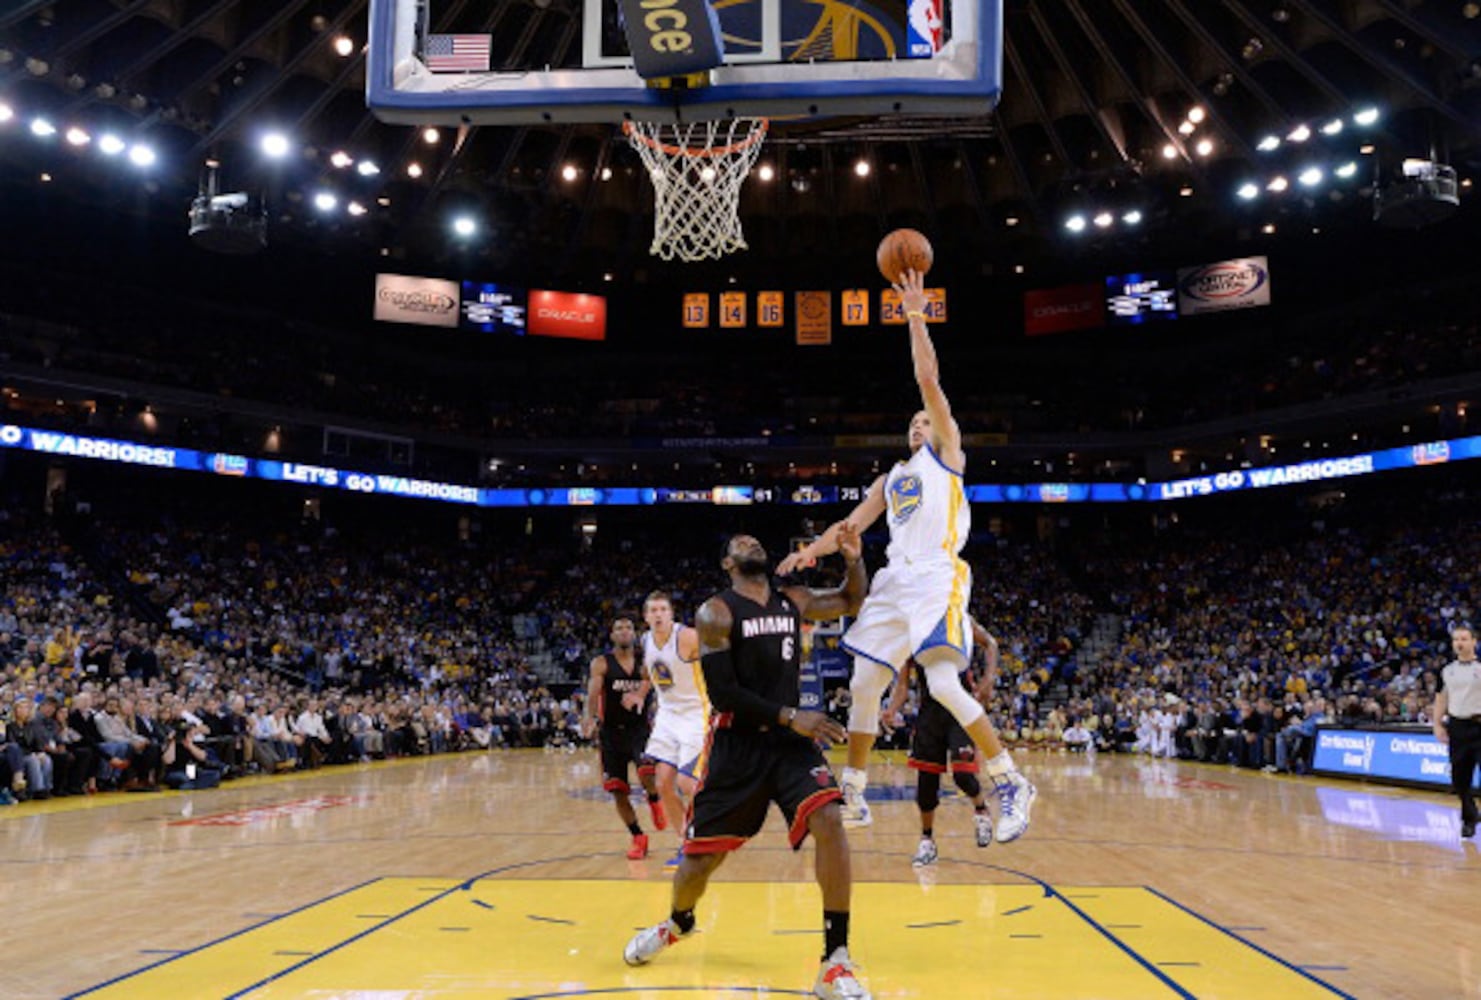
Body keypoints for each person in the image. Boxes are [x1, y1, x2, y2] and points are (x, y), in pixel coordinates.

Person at [778, 267, 1035, 840]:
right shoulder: (891, 478)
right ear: (906, 434)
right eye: (915, 422)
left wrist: (915, 314)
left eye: (928, 420)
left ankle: (1011, 780)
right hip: (895, 581)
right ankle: (853, 791)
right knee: (866, 680)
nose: (922, 424)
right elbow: (850, 525)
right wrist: (810, 554)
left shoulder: (947, 456)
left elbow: (928, 378)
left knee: (943, 685)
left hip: (937, 576)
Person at [624, 528, 871, 1000]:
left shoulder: (791, 600)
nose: (753, 544)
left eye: (757, 540)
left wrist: (854, 560)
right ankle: (677, 924)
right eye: (741, 543)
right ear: (727, 563)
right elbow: (723, 694)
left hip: (789, 744)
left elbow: (851, 600)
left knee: (830, 817)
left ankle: (835, 961)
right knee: (698, 867)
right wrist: (790, 714)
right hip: (737, 747)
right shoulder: (715, 612)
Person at [881, 619, 998, 868]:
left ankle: (982, 811)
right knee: (925, 787)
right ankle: (927, 841)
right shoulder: (911, 631)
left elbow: (990, 643)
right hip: (929, 716)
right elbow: (902, 685)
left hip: (960, 711)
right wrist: (891, 709)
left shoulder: (958, 616)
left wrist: (989, 678)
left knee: (963, 777)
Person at [581, 617, 664, 860]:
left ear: (635, 633)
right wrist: (591, 718)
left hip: (639, 729)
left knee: (647, 770)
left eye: (628, 627)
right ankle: (638, 836)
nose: (624, 631)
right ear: (612, 635)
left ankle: (655, 799)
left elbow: (659, 687)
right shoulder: (601, 663)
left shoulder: (646, 663)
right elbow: (594, 693)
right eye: (619, 628)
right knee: (618, 790)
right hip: (611, 734)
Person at [640, 591, 707, 866]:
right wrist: (640, 694)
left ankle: (707, 831)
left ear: (671, 614)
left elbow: (720, 658)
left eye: (662, 610)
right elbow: (649, 673)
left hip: (696, 713)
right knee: (662, 783)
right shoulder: (645, 640)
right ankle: (686, 843)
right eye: (652, 610)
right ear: (645, 617)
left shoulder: (688, 637)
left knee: (687, 782)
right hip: (668, 715)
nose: (658, 615)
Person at [1434, 625, 1481, 839]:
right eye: (1456, 640)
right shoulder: (1446, 671)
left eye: (1464, 639)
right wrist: (1437, 724)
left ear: (1474, 642)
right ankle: (1469, 817)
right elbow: (1441, 698)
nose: (1459, 643)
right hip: (1457, 727)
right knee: (1459, 779)